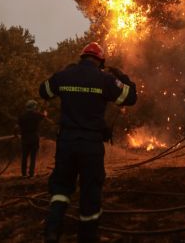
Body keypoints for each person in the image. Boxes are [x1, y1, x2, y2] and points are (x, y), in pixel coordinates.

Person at [39, 42, 137, 243]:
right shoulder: (105, 79)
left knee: (61, 189)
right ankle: (87, 237)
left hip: (66, 143)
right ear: (101, 62)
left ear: (81, 57)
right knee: (90, 191)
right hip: (90, 145)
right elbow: (131, 98)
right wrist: (122, 76)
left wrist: (63, 72)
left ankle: (51, 231)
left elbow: (44, 92)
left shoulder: (64, 76)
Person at [15, 99, 50, 178]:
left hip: (24, 139)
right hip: (34, 138)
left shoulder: (21, 116)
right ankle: (31, 174)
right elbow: (44, 115)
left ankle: (23, 174)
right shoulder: (37, 115)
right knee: (33, 157)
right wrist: (45, 110)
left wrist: (16, 135)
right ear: (34, 107)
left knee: (24, 156)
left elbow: (16, 127)